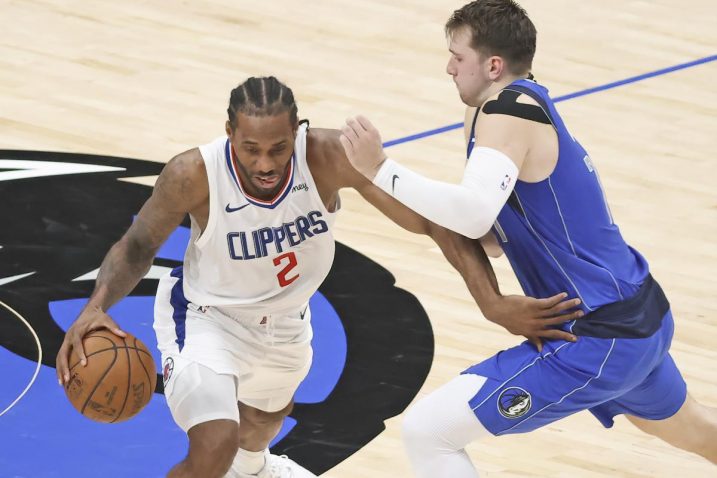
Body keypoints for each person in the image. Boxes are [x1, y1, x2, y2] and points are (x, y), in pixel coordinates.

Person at [55, 76, 582, 478]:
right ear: (229, 135)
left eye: (278, 148)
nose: (265, 163)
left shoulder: (328, 157)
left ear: (297, 133)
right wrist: (95, 307)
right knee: (216, 445)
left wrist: (491, 302)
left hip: (286, 322)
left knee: (258, 433)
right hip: (206, 316)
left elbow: (430, 220)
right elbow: (139, 244)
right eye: (251, 149)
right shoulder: (193, 173)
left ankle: (257, 469)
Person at [339, 1, 717, 476]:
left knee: (428, 433)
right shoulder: (509, 106)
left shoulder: (506, 113)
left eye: (458, 56)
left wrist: (379, 169)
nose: (448, 66)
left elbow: (473, 214)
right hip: (638, 317)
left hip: (597, 335)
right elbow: (489, 235)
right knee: (699, 430)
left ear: (492, 65)